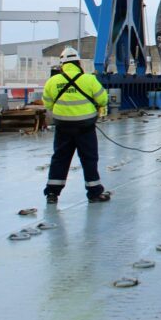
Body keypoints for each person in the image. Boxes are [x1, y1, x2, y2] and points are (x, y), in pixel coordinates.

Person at [41, 47, 111, 204]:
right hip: (85, 127)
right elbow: (103, 100)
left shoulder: (52, 81)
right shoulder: (89, 79)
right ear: (79, 63)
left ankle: (52, 193)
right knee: (89, 159)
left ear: (62, 65)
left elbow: (48, 104)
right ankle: (94, 193)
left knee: (60, 158)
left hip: (63, 127)